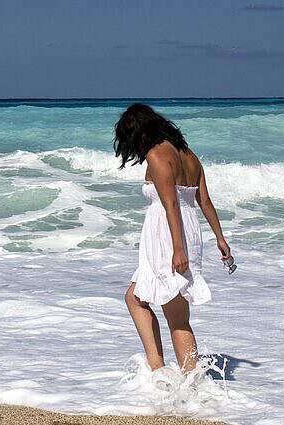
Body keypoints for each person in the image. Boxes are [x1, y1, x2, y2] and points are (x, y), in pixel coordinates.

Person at [113, 103, 232, 373]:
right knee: (139, 298)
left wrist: (178, 250)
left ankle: (184, 382)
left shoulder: (157, 155)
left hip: (170, 236)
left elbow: (171, 205)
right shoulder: (190, 156)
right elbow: (205, 201)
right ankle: (164, 373)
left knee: (174, 314)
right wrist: (220, 238)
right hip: (188, 231)